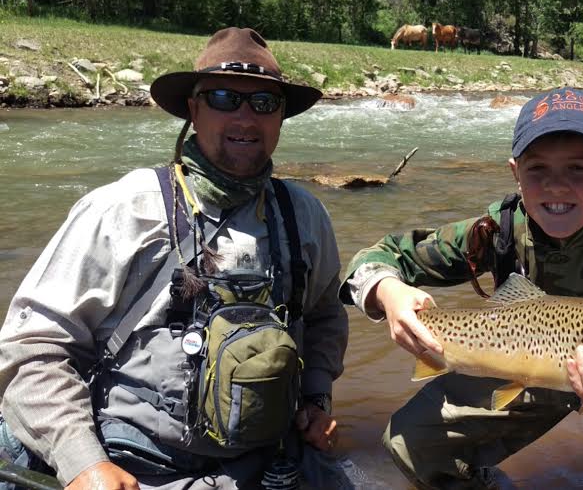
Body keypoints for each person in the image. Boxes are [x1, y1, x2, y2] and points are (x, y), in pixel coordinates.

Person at [0, 27, 349, 489]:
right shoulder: (125, 208)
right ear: (194, 109)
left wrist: (316, 398)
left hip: (265, 462)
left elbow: (325, 316)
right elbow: (31, 349)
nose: (245, 118)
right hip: (129, 465)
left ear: (281, 117)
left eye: (264, 103)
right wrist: (82, 462)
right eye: (224, 98)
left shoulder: (303, 216)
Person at [340, 87, 583, 489]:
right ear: (516, 173)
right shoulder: (495, 231)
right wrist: (387, 292)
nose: (556, 186)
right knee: (409, 441)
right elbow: (381, 256)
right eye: (538, 170)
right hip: (520, 365)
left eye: (578, 169)